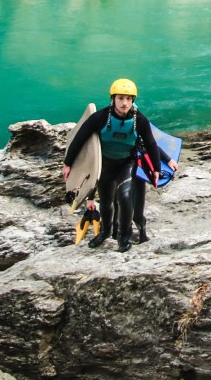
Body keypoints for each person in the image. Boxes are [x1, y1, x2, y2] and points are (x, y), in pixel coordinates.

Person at [62, 78, 161, 253]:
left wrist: (156, 169)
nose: (125, 103)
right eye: (121, 98)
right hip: (105, 164)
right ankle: (105, 232)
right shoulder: (100, 117)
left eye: (129, 99)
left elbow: (151, 144)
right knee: (106, 201)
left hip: (126, 163)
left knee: (124, 196)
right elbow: (80, 139)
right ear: (113, 99)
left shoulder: (140, 120)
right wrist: (68, 164)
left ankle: (124, 237)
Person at [113, 143, 179, 244]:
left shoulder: (135, 127)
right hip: (115, 168)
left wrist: (168, 159)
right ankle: (122, 232)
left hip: (136, 169)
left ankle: (142, 232)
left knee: (137, 212)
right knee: (119, 204)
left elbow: (149, 142)